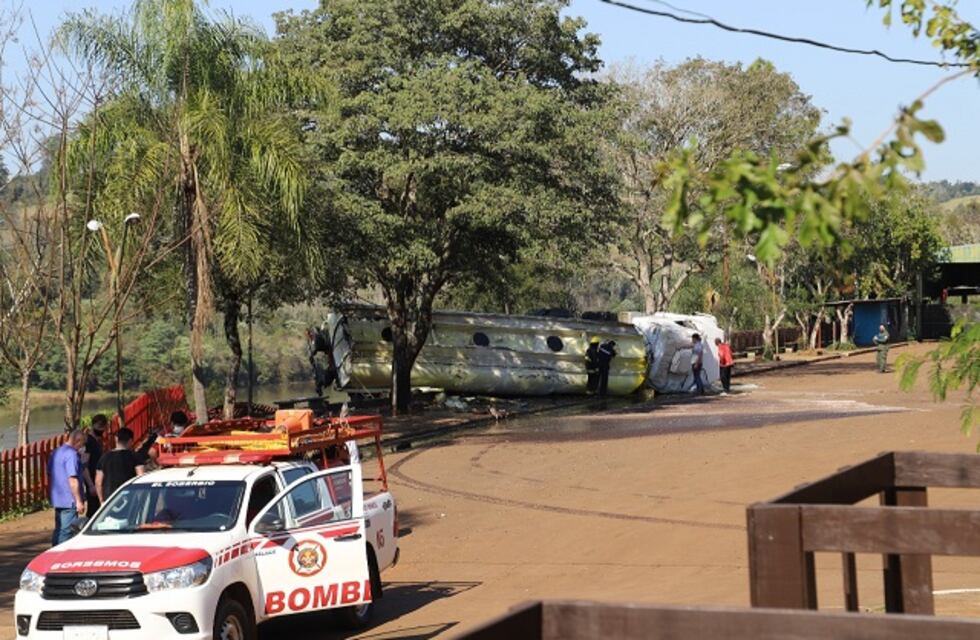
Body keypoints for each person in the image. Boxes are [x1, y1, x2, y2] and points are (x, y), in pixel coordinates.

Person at [49, 430, 87, 546]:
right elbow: (73, 479)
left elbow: (50, 473)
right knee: (67, 531)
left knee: (59, 529)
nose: (82, 446)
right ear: (77, 440)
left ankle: (53, 551)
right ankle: (60, 556)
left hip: (58, 497)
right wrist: (78, 501)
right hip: (69, 500)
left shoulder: (57, 452)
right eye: (82, 443)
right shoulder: (72, 455)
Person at [95, 427, 146, 503]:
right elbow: (141, 477)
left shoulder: (104, 457)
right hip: (130, 498)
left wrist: (101, 501)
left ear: (116, 439)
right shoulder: (135, 457)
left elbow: (98, 482)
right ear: (131, 441)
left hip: (110, 500)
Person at [84, 414, 108, 515]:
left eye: (103, 427)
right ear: (93, 425)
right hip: (93, 481)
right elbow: (84, 465)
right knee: (93, 511)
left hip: (98, 480)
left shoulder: (97, 441)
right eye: (99, 426)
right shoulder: (89, 442)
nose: (102, 429)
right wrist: (90, 485)